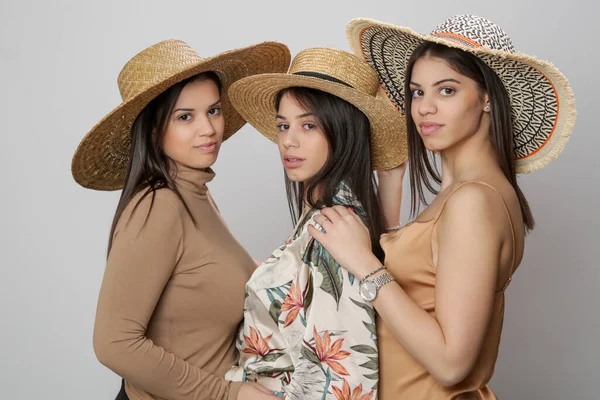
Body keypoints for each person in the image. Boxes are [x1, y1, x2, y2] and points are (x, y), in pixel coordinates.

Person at [310, 15, 576, 399]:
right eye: (417, 92)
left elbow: (452, 363)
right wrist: (392, 176)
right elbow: (420, 288)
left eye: (446, 91)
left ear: (487, 98)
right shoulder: (468, 193)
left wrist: (365, 266)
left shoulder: (473, 201)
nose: (424, 108)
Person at [71, 39, 290, 400]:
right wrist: (228, 395)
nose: (208, 129)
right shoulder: (160, 204)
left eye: (214, 110)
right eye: (185, 116)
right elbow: (114, 343)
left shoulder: (195, 193)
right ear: (155, 128)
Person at [224, 48, 407, 399]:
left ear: (343, 132)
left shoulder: (335, 227)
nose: (288, 140)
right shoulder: (323, 216)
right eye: (283, 125)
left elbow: (343, 382)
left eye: (309, 125)